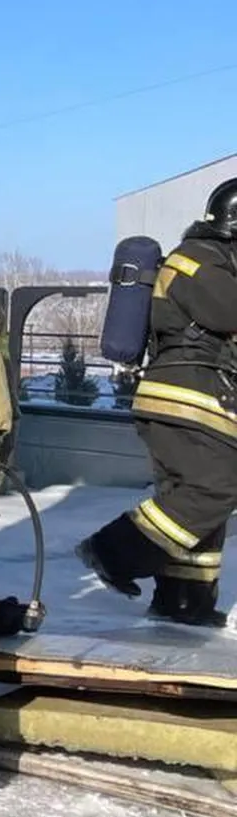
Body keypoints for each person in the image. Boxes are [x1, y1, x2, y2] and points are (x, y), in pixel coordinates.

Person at [78, 176, 237, 627]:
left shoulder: (217, 261)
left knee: (191, 502)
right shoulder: (197, 261)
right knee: (215, 489)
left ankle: (183, 602)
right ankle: (114, 551)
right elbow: (229, 312)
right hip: (186, 399)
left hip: (197, 399)